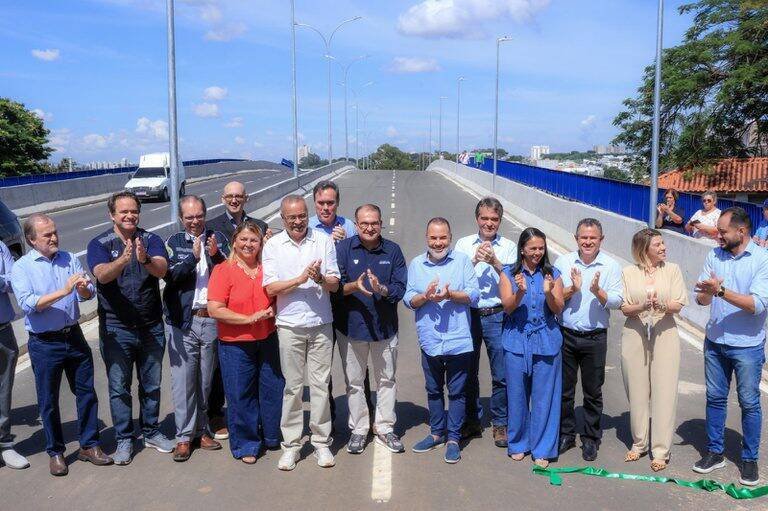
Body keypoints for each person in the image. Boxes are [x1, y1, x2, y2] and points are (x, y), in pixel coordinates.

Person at [11, 214, 113, 476]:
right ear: (32, 239)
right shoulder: (22, 267)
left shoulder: (68, 258)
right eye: (47, 235)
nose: (54, 237)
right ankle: (55, 451)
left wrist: (83, 290)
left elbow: (88, 292)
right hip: (45, 343)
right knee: (48, 400)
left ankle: (89, 445)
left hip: (73, 335)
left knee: (86, 392)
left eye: (55, 232)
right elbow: (28, 304)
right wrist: (66, 290)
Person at [86, 191, 174, 465]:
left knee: (151, 384)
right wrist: (124, 260)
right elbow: (101, 274)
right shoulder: (99, 243)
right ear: (112, 214)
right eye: (123, 212)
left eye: (134, 211)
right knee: (119, 387)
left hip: (150, 326)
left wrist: (144, 258)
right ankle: (124, 439)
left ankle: (151, 431)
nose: (129, 216)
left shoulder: (151, 240)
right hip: (116, 328)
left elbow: (161, 270)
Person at [262, 195, 340, 470]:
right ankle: (292, 445)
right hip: (289, 325)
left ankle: (321, 443)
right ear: (283, 219)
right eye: (292, 217)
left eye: (302, 216)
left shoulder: (323, 240)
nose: (298, 221)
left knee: (320, 385)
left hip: (320, 322)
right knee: (293, 388)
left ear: (309, 215)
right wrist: (301, 279)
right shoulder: (272, 245)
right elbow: (271, 288)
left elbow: (334, 284)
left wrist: (319, 278)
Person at [693, 207, 768, 486]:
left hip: (746, 345)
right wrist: (705, 294)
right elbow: (701, 299)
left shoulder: (762, 259)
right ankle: (715, 452)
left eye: (723, 231)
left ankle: (749, 459)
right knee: (715, 398)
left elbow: (757, 305)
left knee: (749, 403)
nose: (718, 235)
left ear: (742, 231)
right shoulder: (714, 255)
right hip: (715, 340)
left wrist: (721, 291)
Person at [208, 220, 284, 465]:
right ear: (234, 242)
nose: (249, 244)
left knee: (272, 389)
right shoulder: (223, 270)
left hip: (267, 339)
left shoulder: (268, 268)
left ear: (262, 243)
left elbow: (278, 295)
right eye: (243, 239)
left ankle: (271, 436)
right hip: (235, 343)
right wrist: (248, 318)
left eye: (254, 240)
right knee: (241, 394)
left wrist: (271, 310)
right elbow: (215, 309)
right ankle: (246, 443)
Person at [404, 217, 479, 464]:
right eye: (434, 238)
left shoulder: (463, 261)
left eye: (443, 237)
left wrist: (451, 295)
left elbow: (474, 295)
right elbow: (408, 299)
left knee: (457, 392)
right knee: (434, 389)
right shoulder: (416, 264)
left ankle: (454, 438)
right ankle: (436, 433)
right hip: (430, 338)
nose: (438, 243)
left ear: (450, 237)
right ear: (427, 239)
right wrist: (425, 296)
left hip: (458, 339)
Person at [335, 204, 407, 454]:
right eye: (364, 223)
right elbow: (335, 288)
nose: (369, 227)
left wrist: (381, 289)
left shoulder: (393, 251)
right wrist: (355, 286)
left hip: (385, 330)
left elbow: (400, 288)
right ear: (356, 225)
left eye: (374, 223)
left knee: (386, 380)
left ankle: (385, 427)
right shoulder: (343, 249)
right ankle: (359, 428)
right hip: (351, 329)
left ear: (381, 223)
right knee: (354, 382)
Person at [163, 195, 228, 461]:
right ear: (181, 218)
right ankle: (183, 437)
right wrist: (193, 258)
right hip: (182, 321)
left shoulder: (218, 239)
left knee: (204, 381)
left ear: (205, 213)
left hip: (210, 318)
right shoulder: (174, 242)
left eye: (199, 215)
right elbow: (172, 276)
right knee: (183, 382)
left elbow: (228, 273)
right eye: (189, 217)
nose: (195, 221)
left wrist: (214, 256)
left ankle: (202, 431)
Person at [206, 180, 272, 439]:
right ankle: (216, 414)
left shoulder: (261, 226)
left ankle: (256, 423)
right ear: (223, 198)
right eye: (230, 196)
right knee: (222, 371)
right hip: (224, 299)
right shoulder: (211, 226)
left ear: (246, 198)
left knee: (256, 377)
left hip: (256, 307)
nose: (234, 200)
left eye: (239, 197)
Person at [619, 228, 687, 472]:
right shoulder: (628, 272)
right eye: (657, 244)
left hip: (665, 330)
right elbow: (625, 307)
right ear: (644, 248)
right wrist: (641, 305)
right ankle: (639, 443)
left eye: (663, 243)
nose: (663, 248)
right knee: (636, 389)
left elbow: (679, 303)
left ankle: (660, 449)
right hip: (635, 331)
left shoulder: (673, 270)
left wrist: (663, 304)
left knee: (664, 390)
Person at [555, 218, 622, 461]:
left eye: (593, 238)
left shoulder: (611, 265)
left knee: (593, 391)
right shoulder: (563, 262)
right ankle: (566, 433)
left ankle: (591, 438)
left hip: (595, 338)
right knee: (565, 390)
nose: (588, 242)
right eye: (583, 237)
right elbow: (554, 298)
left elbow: (617, 300)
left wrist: (597, 292)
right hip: (567, 335)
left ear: (601, 240)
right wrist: (572, 288)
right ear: (576, 239)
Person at [308, 180, 371, 430]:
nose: (326, 207)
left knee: (357, 365)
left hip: (347, 302)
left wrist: (346, 244)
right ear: (315, 203)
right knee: (321, 369)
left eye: (330, 203)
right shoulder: (308, 227)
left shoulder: (349, 228)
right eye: (321, 203)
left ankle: (366, 418)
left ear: (337, 203)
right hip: (319, 302)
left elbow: (364, 257)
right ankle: (328, 421)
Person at [499, 227, 564, 469]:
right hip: (516, 340)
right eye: (532, 248)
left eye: (541, 248)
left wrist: (548, 294)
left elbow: (558, 309)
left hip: (546, 340)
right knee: (516, 395)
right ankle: (517, 442)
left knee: (544, 397)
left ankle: (543, 447)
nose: (537, 252)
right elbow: (507, 307)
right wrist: (520, 292)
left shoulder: (553, 274)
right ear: (522, 249)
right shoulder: (508, 273)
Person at [454, 197, 515, 447]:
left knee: (501, 373)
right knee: (468, 371)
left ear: (499, 221)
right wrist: (474, 261)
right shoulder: (463, 244)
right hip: (468, 313)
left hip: (497, 313)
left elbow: (513, 281)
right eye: (484, 218)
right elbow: (456, 276)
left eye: (494, 219)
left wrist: (495, 262)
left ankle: (500, 422)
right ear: (477, 219)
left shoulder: (509, 246)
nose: (489, 223)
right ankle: (472, 419)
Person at [0, 239, 29, 470]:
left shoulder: (0, 246)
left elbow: (14, 280)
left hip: (2, 328)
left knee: (3, 389)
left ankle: (4, 444)